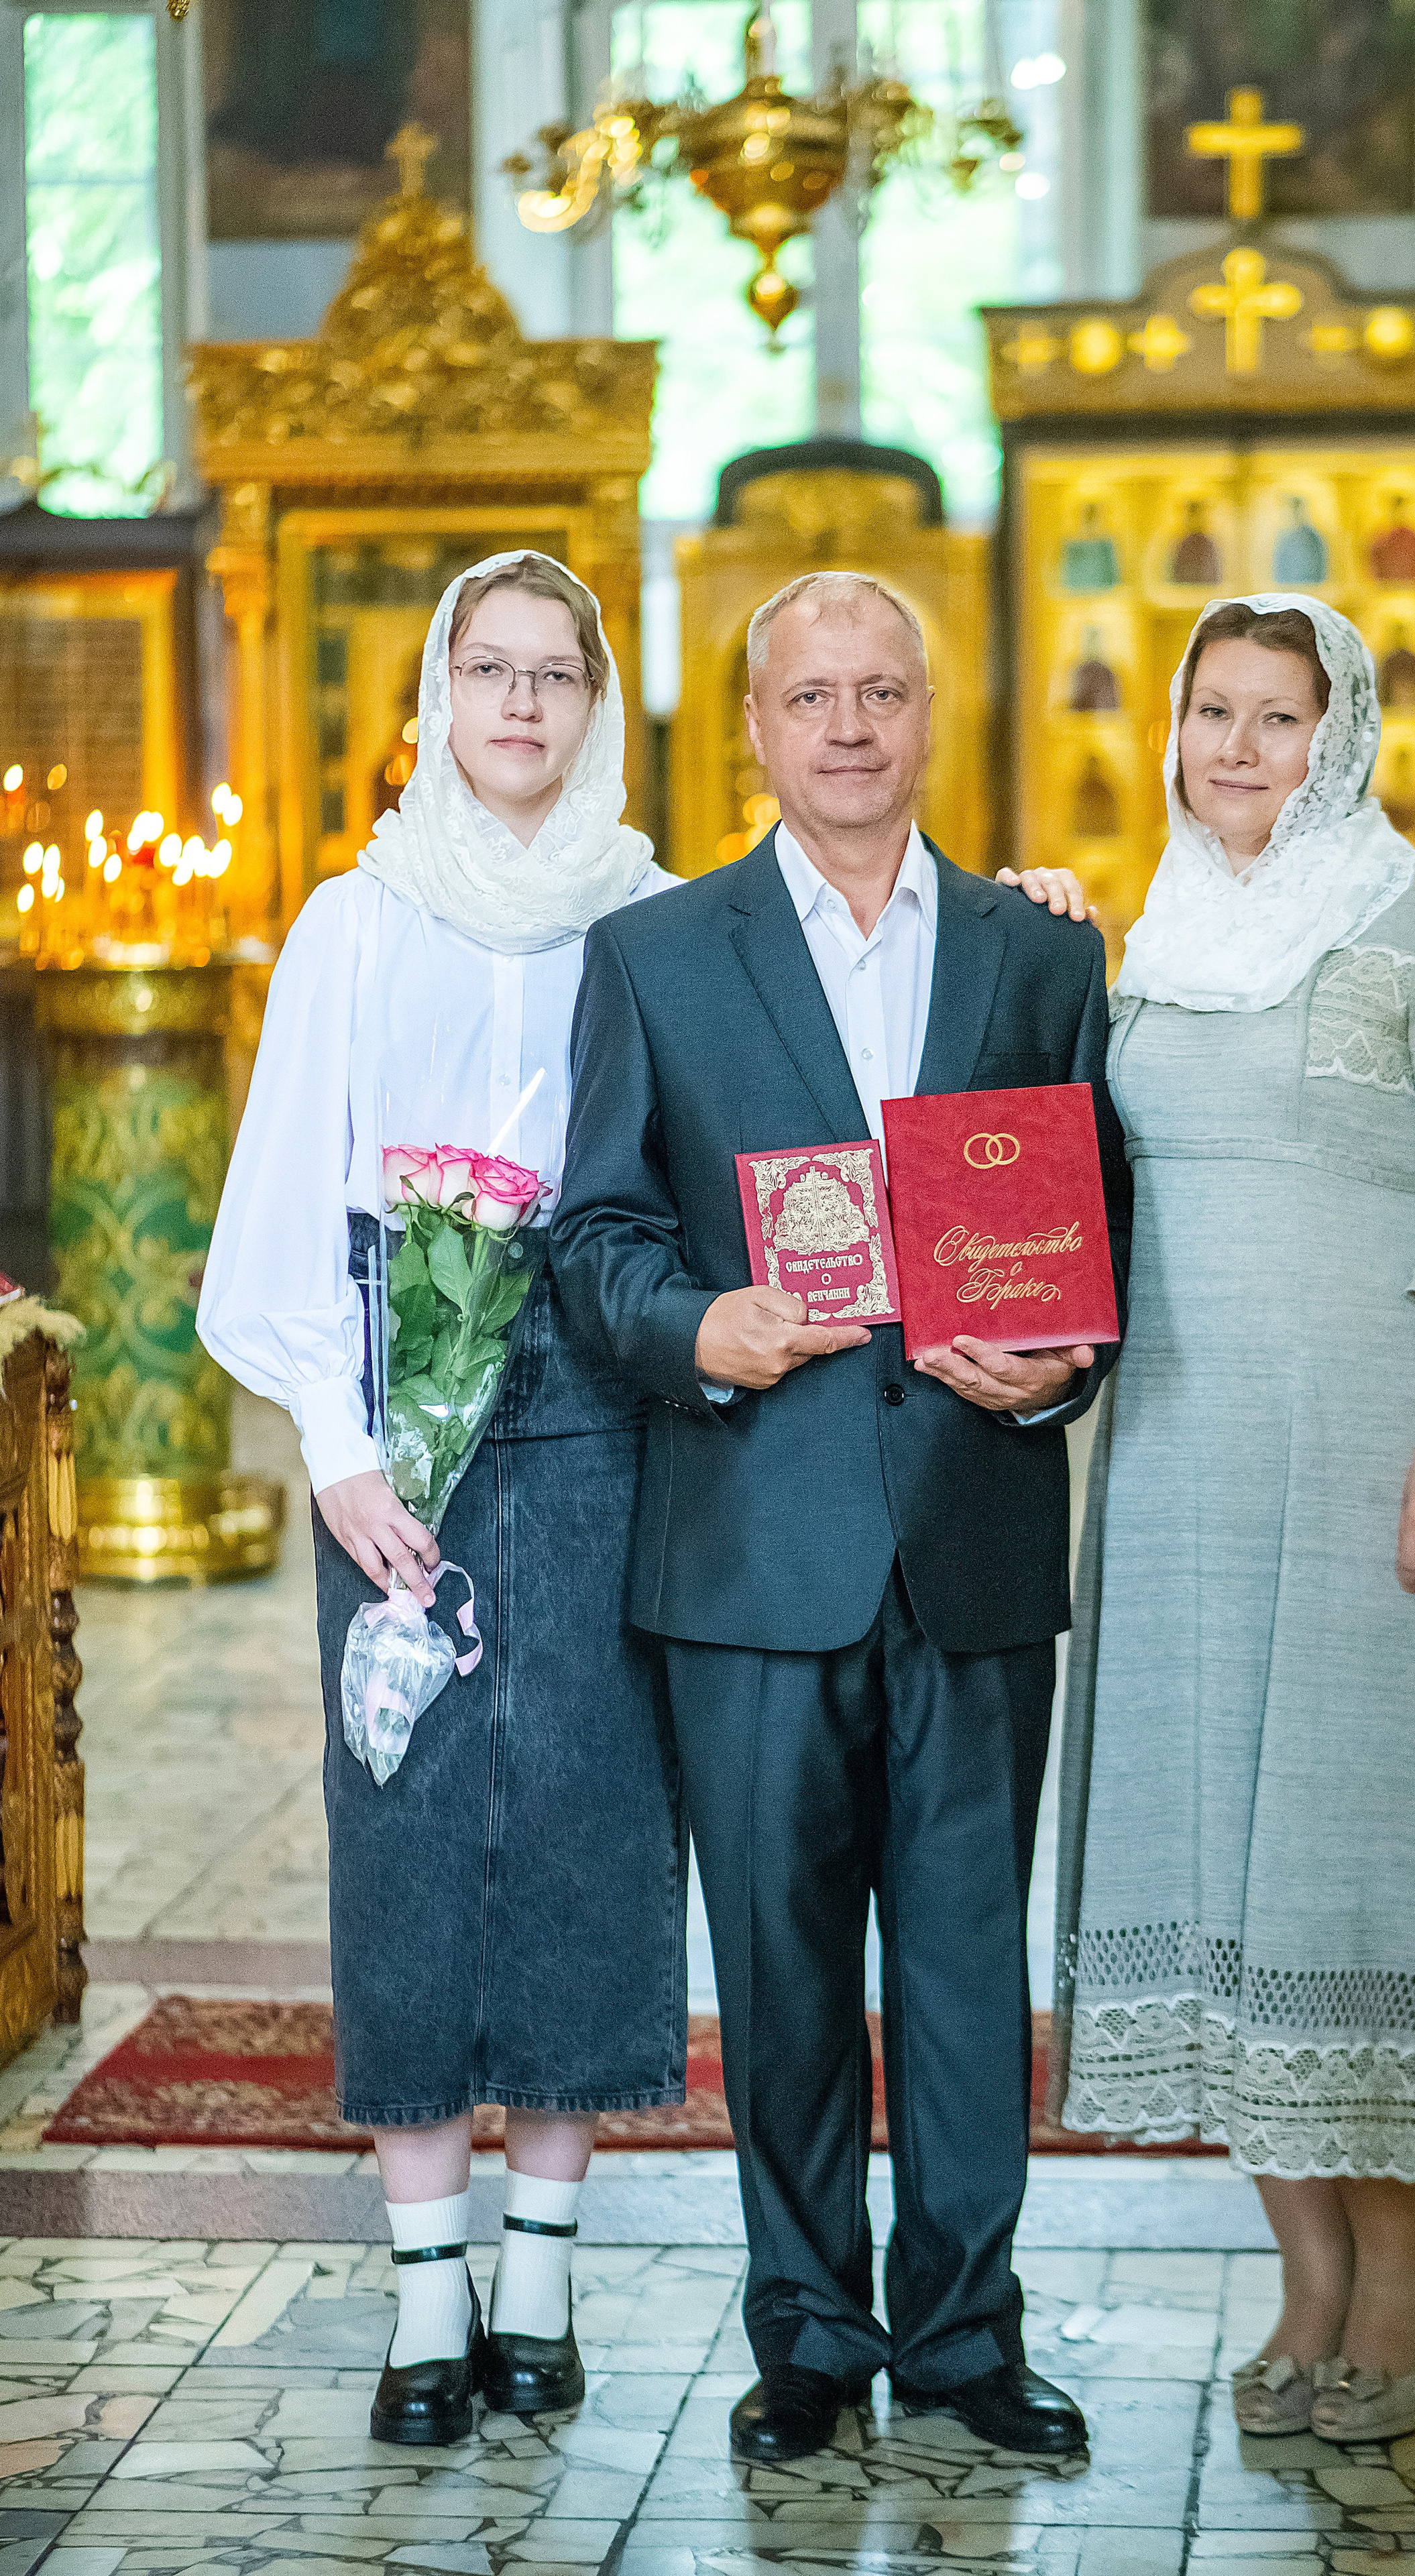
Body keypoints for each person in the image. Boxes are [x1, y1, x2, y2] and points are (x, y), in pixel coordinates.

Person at [551, 570, 1131, 2468]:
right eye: (813, 695)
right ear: (755, 725)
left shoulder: (1040, 951)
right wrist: (695, 1328)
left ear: (929, 711)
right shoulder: (657, 953)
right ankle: (805, 2329)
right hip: (749, 1540)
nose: (852, 725)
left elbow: (1100, 1227)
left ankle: (964, 2328)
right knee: (784, 1973)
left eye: (883, 689)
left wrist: (1061, 1362)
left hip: (971, 1529)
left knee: (966, 1967)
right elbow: (595, 1235)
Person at [1053, 593, 1415, 2448]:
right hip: (1183, 1466)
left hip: (1377, 1461)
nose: (1239, 748)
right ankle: (1308, 2277)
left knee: (1359, 1857)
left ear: (1342, 733)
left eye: (1280, 716)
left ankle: (1409, 2274)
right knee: (1213, 1861)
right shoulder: (1151, 942)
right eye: (1213, 711)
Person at [199, 551, 688, 2446]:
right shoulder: (357, 918)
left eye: (557, 673)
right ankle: (427, 2295)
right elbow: (284, 1191)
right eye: (489, 669)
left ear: (597, 701)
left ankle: (540, 2279)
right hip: (395, 1396)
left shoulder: (650, 914)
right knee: (403, 1817)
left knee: (585, 1805)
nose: (522, 704)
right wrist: (336, 1445)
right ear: (437, 692)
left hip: (596, 1387)